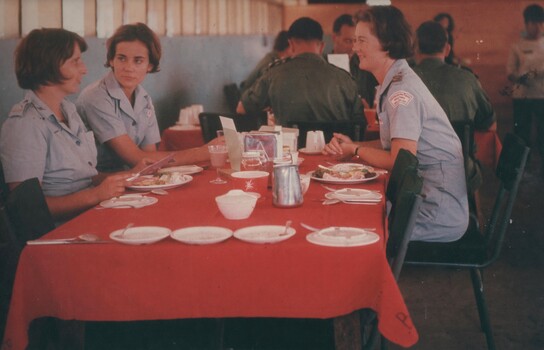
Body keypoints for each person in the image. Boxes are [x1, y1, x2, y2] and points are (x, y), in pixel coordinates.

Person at [323, 6, 468, 243]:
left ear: (387, 44)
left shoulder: (402, 92)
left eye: (361, 41)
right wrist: (354, 143)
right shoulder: (395, 82)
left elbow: (398, 160)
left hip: (435, 213)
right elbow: (394, 145)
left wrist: (356, 151)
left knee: (350, 222)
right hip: (425, 200)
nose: (354, 48)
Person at [0, 28, 139, 221]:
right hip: (59, 232)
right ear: (50, 64)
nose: (84, 69)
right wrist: (96, 195)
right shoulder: (24, 125)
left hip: (91, 215)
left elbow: (86, 176)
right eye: (75, 61)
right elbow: (26, 208)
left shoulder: (68, 110)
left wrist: (124, 177)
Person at [77, 23, 217, 172]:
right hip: (101, 184)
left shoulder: (144, 99)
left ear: (149, 65)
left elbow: (151, 157)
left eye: (138, 60)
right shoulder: (96, 97)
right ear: (111, 60)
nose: (129, 68)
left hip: (132, 179)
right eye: (122, 58)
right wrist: (202, 152)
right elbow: (137, 159)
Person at [413, 20, 496, 194]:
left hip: (414, 173)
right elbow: (489, 123)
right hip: (461, 171)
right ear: (447, 49)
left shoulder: (405, 79)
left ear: (416, 48)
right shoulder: (467, 79)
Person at [237, 17, 364, 127]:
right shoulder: (344, 78)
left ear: (291, 44)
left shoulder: (273, 75)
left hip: (291, 152)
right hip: (335, 152)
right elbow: (359, 123)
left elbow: (241, 109)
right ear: (321, 46)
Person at [506, 4, 544, 166]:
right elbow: (510, 72)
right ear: (526, 24)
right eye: (533, 23)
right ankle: (522, 167)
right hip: (522, 96)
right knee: (522, 133)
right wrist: (521, 77)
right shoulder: (517, 46)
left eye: (541, 23)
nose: (537, 27)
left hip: (542, 96)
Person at [329, 13, 378, 108]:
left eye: (356, 41)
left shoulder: (365, 68)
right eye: (348, 41)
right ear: (334, 38)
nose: (354, 47)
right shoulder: (323, 65)